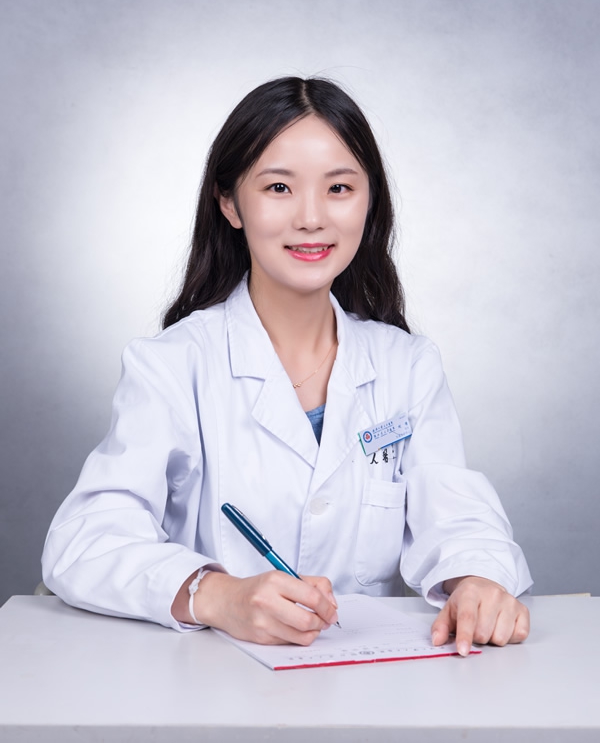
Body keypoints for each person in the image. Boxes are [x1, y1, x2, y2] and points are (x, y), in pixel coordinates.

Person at [42, 76, 532, 655]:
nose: (311, 218)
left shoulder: (407, 365)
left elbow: (457, 514)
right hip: (207, 682)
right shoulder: (172, 365)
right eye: (278, 187)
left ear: (369, 201)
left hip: (367, 684)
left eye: (339, 188)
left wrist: (476, 580)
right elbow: (84, 542)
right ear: (229, 203)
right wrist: (217, 595)